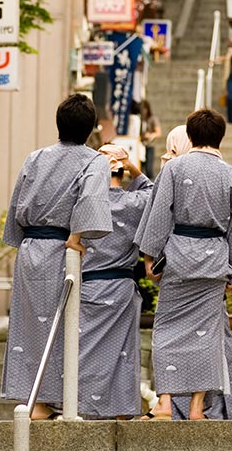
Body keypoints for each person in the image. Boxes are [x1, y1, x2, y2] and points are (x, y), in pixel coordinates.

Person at [137, 108, 232, 420]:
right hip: (214, 260)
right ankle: (195, 408)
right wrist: (231, 268)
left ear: (190, 136)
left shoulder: (175, 169)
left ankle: (164, 401)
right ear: (221, 137)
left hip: (179, 257)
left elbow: (160, 214)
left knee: (166, 330)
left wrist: (151, 258)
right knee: (207, 336)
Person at [0, 94, 115, 420]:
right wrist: (75, 239)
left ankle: (36, 401)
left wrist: (26, 243)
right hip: (62, 251)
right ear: (93, 128)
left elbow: (16, 213)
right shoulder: (94, 161)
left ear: (58, 124)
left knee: (29, 326)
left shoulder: (35, 158)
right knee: (67, 325)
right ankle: (59, 399)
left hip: (30, 251)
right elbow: (90, 203)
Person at [78, 144, 153, 420]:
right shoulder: (135, 203)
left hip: (87, 288)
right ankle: (121, 416)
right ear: (123, 172)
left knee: (84, 352)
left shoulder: (83, 202)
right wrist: (134, 168)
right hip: (121, 288)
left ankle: (82, 411)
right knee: (122, 356)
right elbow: (152, 192)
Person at [139, 100, 161, 179]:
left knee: (149, 168)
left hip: (149, 145)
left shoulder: (152, 119)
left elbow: (158, 133)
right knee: (140, 168)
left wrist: (150, 135)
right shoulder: (139, 119)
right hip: (140, 145)